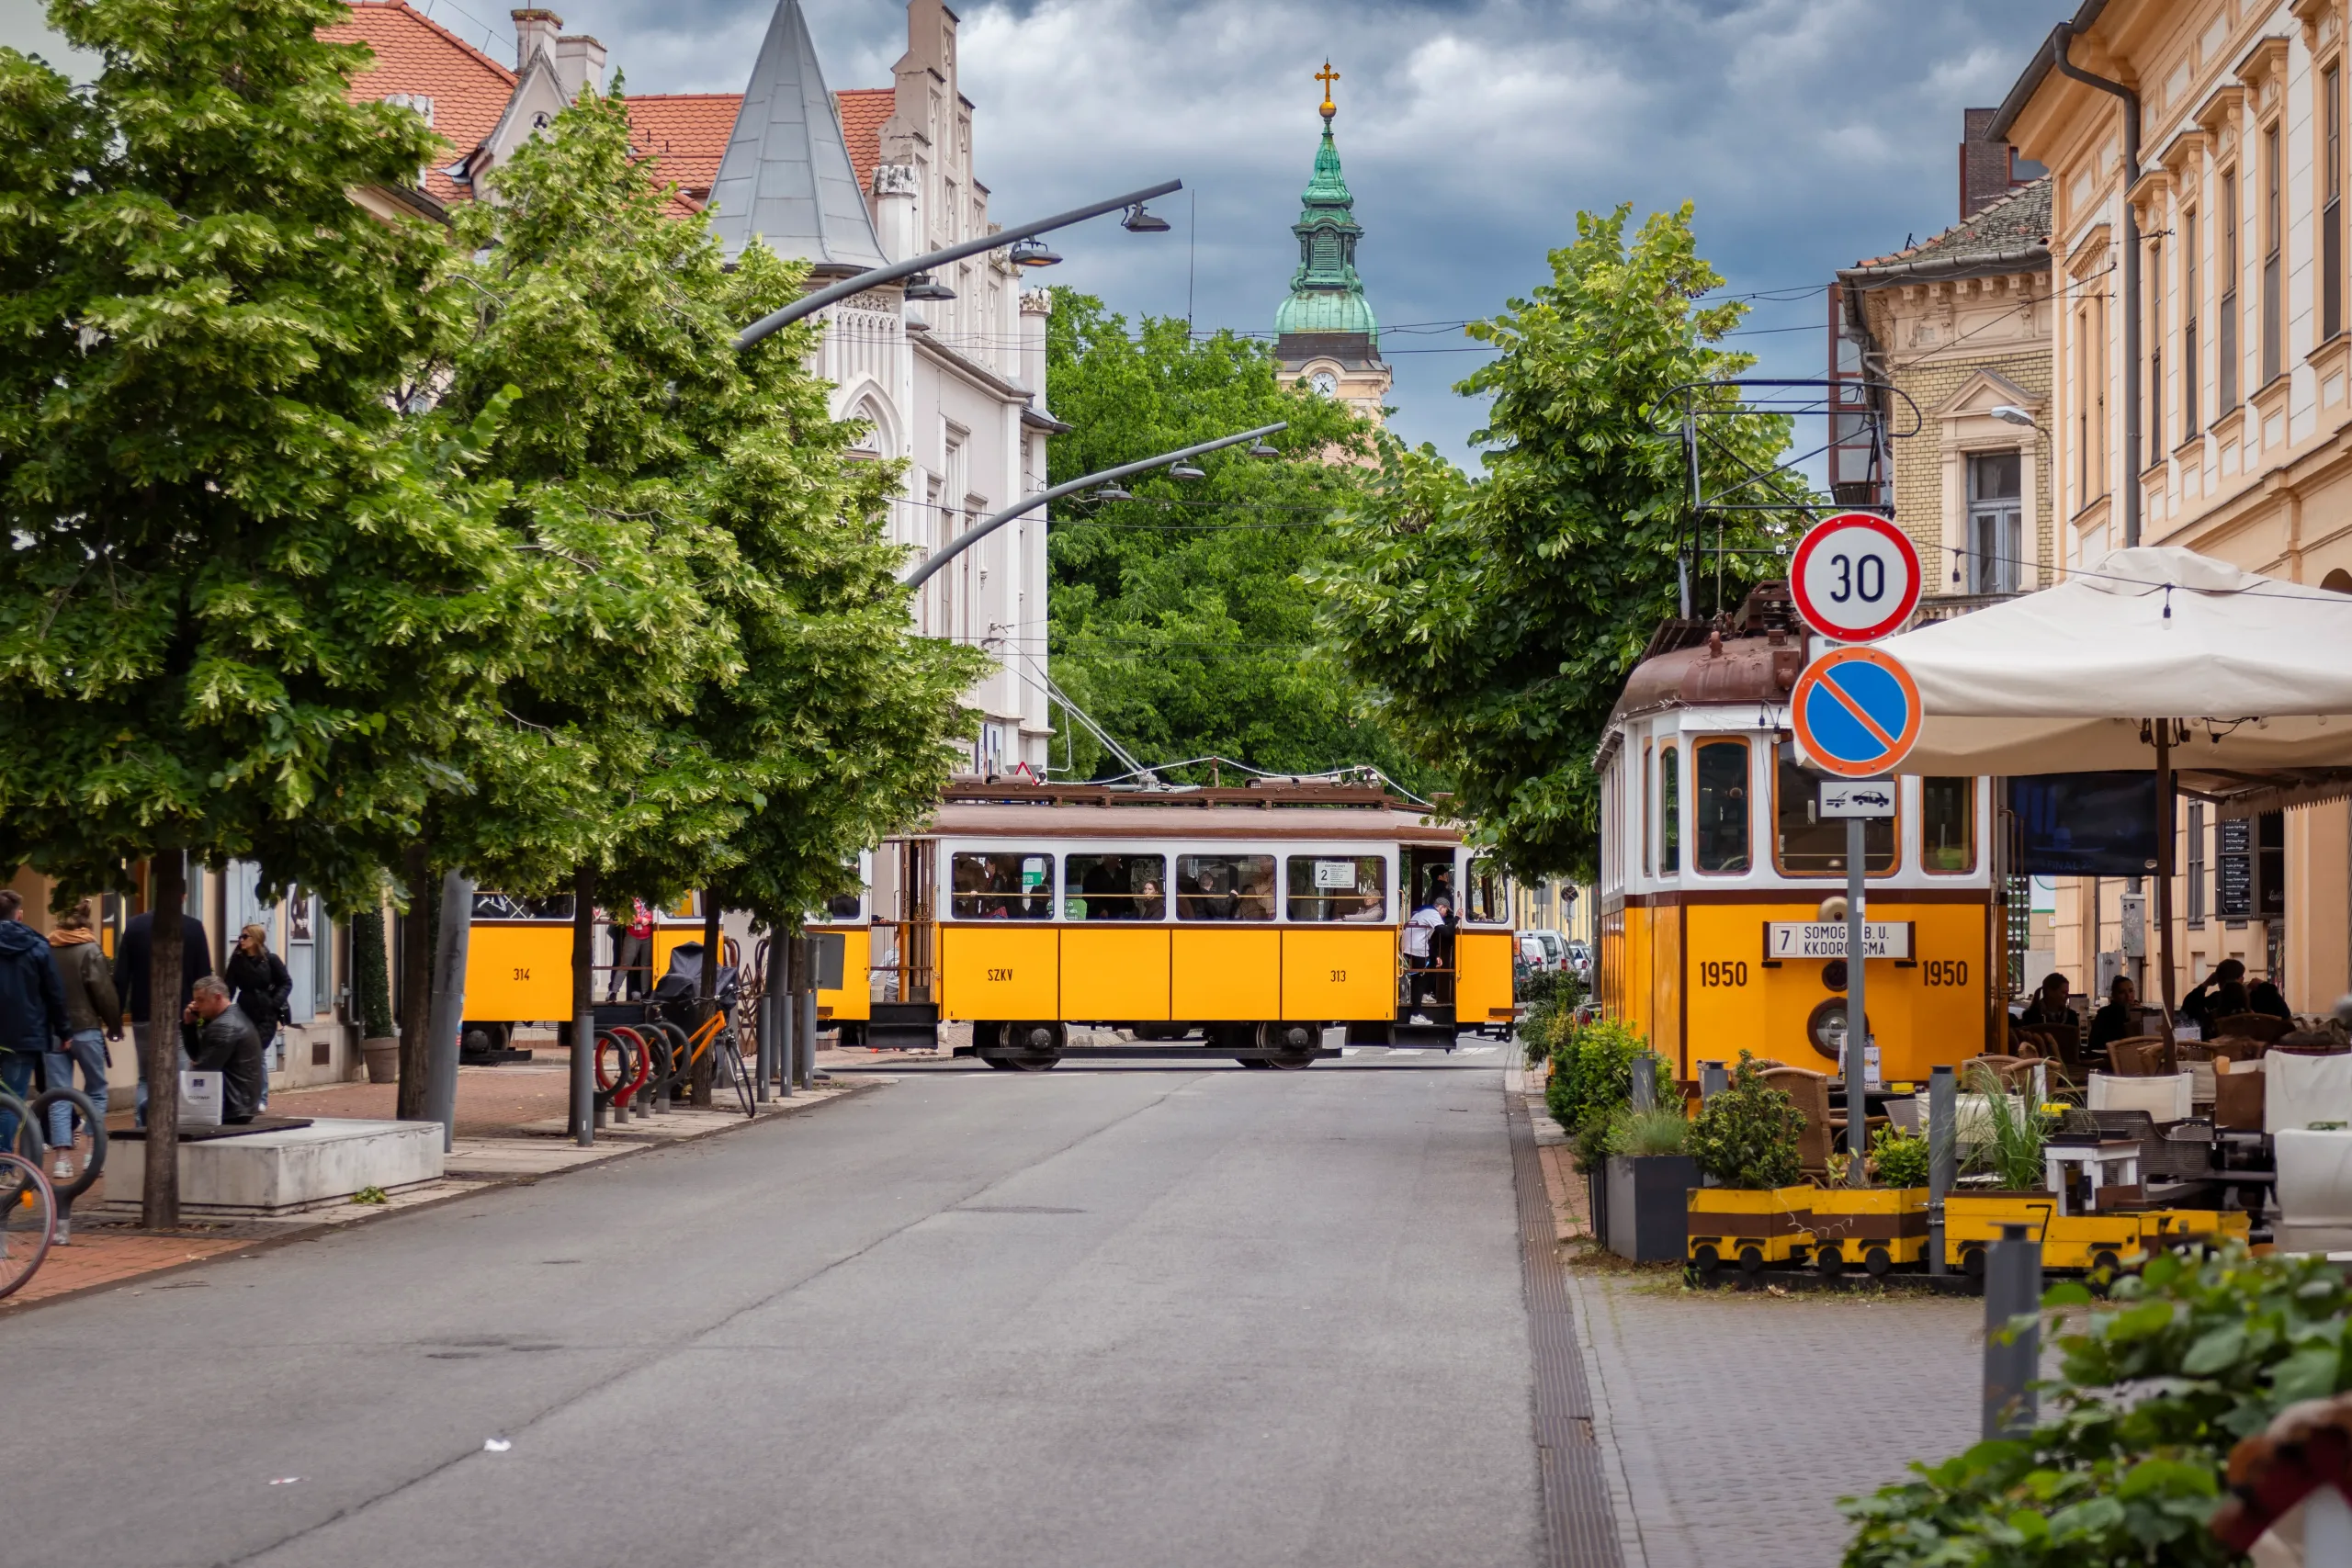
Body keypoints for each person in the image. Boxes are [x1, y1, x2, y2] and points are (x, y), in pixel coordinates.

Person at [117, 903, 213, 1127]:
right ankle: (170, 1126)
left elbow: (121, 976)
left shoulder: (134, 926)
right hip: (181, 1012)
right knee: (177, 1075)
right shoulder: (193, 927)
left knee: (145, 1077)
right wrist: (202, 1017)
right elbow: (204, 975)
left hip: (142, 1012)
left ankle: (142, 1125)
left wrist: (116, 1017)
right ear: (184, 896)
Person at [43, 900, 119, 1183]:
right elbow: (103, 991)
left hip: (53, 1030)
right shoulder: (90, 949)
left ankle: (62, 1160)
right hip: (86, 1029)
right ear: (87, 925)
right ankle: (91, 1153)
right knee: (96, 1089)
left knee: (59, 1092)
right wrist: (114, 1024)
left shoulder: (48, 949)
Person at [0, 889, 68, 1160]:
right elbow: (54, 992)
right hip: (22, 1036)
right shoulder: (37, 947)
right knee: (12, 1099)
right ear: (19, 915)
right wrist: (64, 1031)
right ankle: (4, 1166)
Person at [224, 922, 291, 1113]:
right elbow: (229, 986)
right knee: (244, 1053)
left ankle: (260, 1097)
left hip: (266, 1013)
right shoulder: (237, 961)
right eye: (241, 937)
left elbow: (286, 983)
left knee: (258, 1052)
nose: (241, 940)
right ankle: (244, 1096)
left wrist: (274, 1002)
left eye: (246, 937)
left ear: (256, 939)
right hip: (245, 1010)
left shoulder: (271, 960)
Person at [184, 975, 265, 1124]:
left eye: (200, 1000)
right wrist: (190, 1025)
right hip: (240, 1104)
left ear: (218, 997)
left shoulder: (223, 1026)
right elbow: (199, 1058)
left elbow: (202, 1070)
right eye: (195, 1000)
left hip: (230, 1107)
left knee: (151, 1106)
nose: (196, 1005)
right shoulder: (233, 1016)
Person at [2181, 958, 2248, 1029]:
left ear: (2217, 979)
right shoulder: (2250, 1000)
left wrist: (2205, 984)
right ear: (2241, 979)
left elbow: (2188, 1010)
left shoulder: (2213, 1001)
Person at [2086, 975, 2139, 1059]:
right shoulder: (2105, 1014)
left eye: (2131, 991)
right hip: (2111, 1058)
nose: (2128, 995)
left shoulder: (2141, 1011)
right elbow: (2095, 1045)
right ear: (2114, 995)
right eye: (2122, 992)